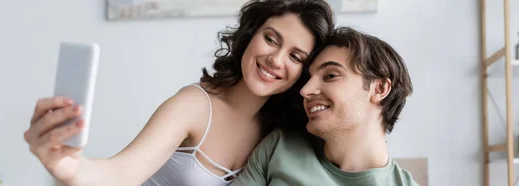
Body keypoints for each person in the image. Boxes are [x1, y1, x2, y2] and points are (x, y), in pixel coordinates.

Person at [22, 0, 334, 185]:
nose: (275, 60)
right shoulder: (195, 106)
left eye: (296, 56)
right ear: (251, 34)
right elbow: (122, 173)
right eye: (271, 39)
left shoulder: (279, 133)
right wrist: (68, 167)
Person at [230, 27, 419, 186]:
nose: (305, 90)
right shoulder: (279, 148)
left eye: (330, 76)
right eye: (308, 79)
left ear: (379, 88)